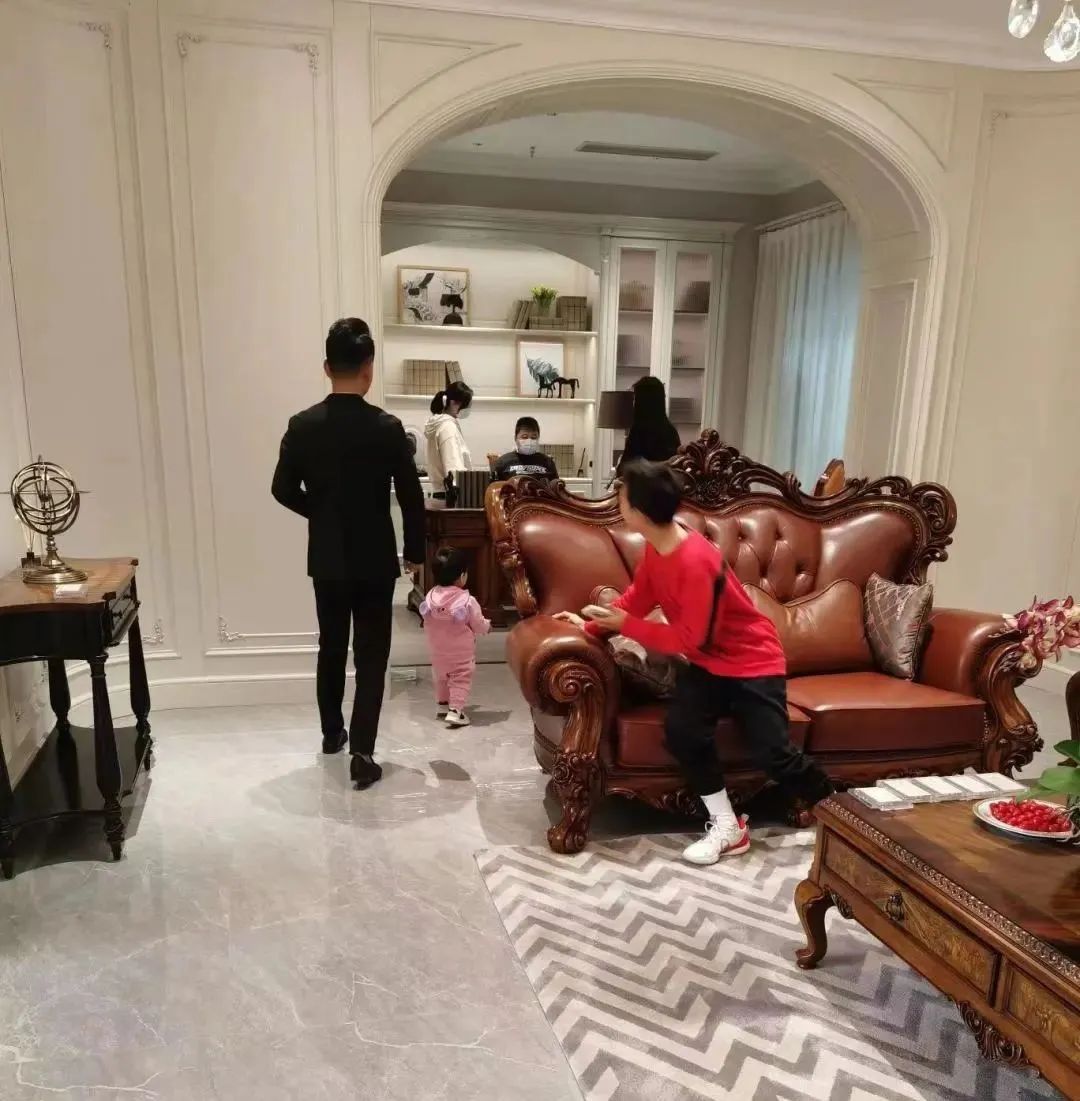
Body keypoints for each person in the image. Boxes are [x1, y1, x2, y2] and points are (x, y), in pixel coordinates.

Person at [556, 460, 833, 865]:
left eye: (623, 497)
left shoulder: (695, 560)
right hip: (710, 665)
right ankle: (728, 826)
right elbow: (638, 598)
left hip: (753, 662)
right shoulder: (658, 546)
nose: (618, 502)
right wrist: (591, 627)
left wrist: (625, 625)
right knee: (683, 730)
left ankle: (839, 810)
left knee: (773, 753)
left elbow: (690, 639)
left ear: (640, 510)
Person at [272, 318, 424, 790]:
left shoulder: (302, 425)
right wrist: (415, 551)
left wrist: (320, 513)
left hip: (327, 556)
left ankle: (331, 733)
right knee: (372, 654)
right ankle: (362, 751)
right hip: (375, 557)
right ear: (368, 368)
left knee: (332, 646)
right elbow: (412, 497)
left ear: (326, 367)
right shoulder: (387, 428)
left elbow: (281, 489)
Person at [419, 547, 491, 728]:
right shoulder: (467, 601)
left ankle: (443, 705)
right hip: (461, 653)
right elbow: (478, 623)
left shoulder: (430, 597)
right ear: (462, 576)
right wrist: (487, 626)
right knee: (460, 679)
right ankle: (455, 711)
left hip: (437, 651)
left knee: (441, 677)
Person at [618, 376, 681, 473]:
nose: (633, 403)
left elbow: (625, 468)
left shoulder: (639, 430)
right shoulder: (670, 430)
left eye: (635, 399)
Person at [424, 381, 474, 499]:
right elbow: (453, 468)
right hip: (451, 496)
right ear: (453, 403)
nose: (467, 409)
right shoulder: (447, 427)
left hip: (440, 493)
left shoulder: (438, 424)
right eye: (465, 405)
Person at [493, 416, 559, 481]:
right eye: (524, 437)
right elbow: (494, 486)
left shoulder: (548, 462)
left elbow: (556, 486)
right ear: (515, 438)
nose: (529, 440)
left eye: (533, 437)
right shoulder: (503, 462)